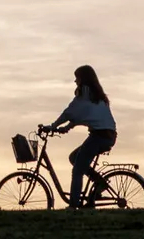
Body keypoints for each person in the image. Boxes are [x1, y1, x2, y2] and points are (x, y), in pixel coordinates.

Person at [47, 64, 117, 209]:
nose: (75, 81)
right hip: (107, 135)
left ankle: (73, 206)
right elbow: (82, 115)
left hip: (99, 136)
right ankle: (100, 183)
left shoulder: (85, 93)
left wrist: (52, 126)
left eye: (77, 78)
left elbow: (70, 112)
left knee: (78, 169)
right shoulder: (97, 95)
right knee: (74, 158)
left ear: (83, 79)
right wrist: (66, 127)